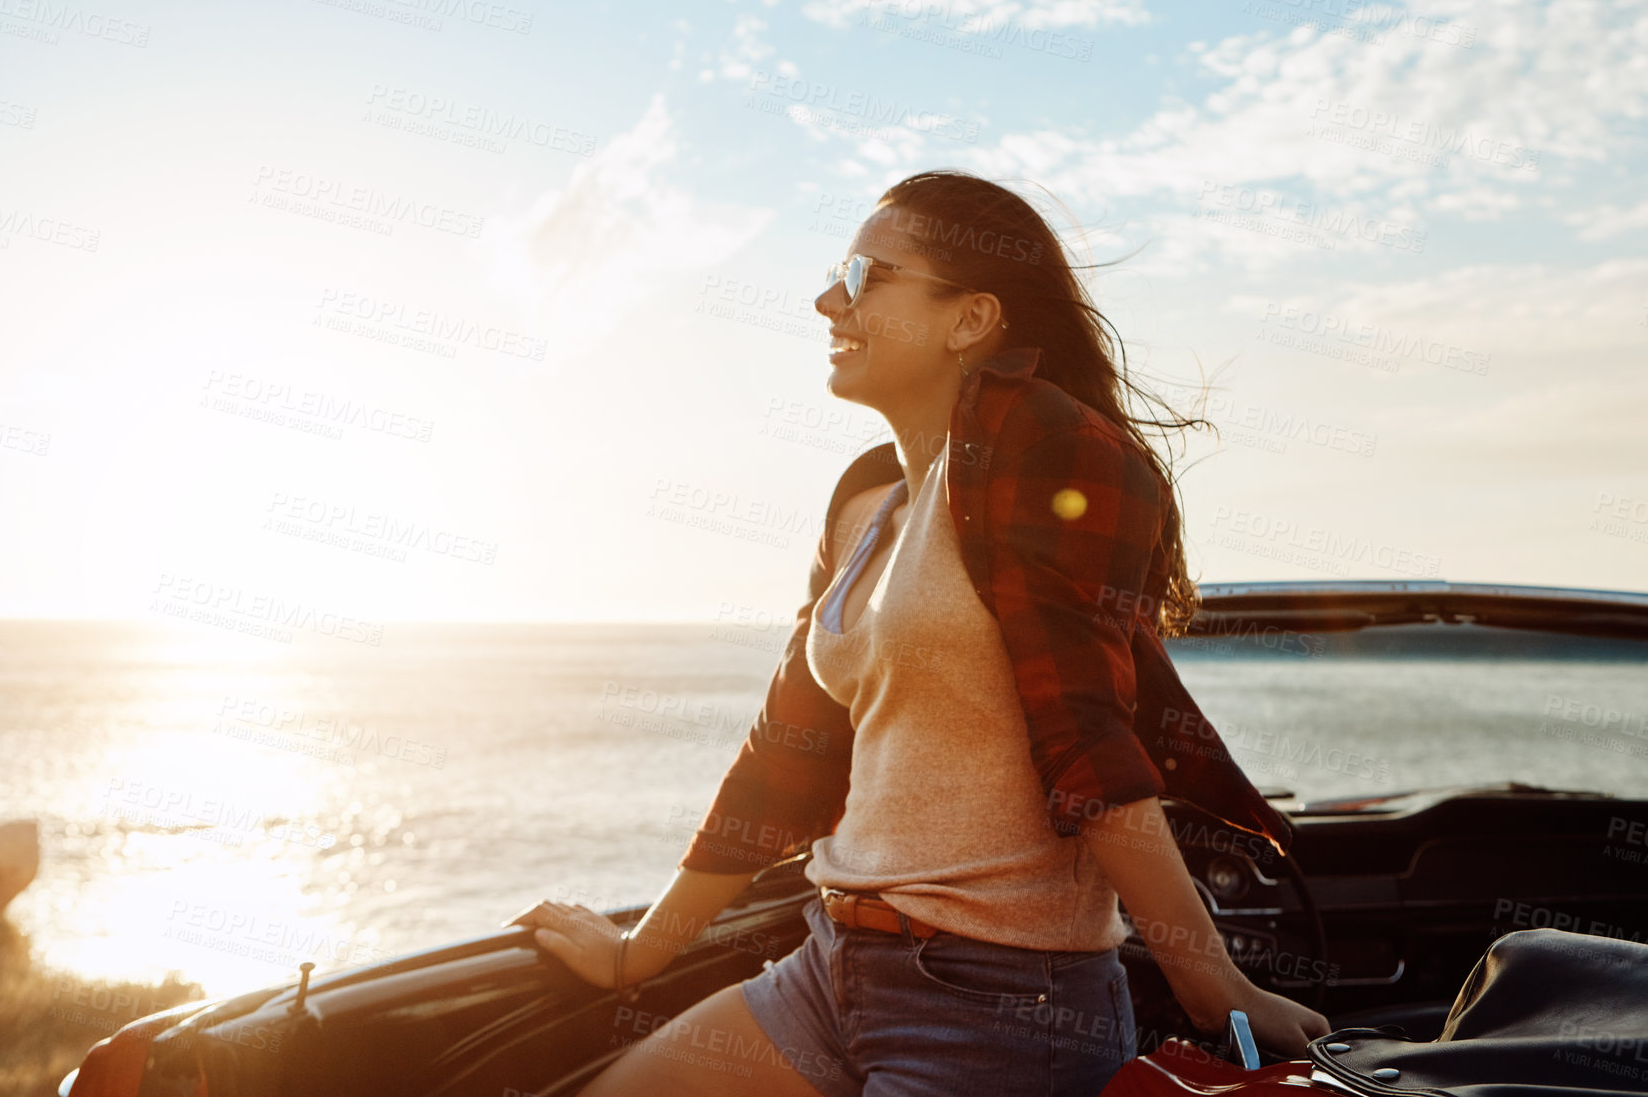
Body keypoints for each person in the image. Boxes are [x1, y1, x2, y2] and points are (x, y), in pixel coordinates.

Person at [512, 170, 1331, 1095]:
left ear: (968, 319)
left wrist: (1211, 984)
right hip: (832, 968)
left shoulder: (1050, 447)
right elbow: (786, 759)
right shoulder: (866, 503)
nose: (828, 299)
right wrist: (637, 954)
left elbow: (1086, 732)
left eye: (865, 274)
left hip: (1003, 1004)